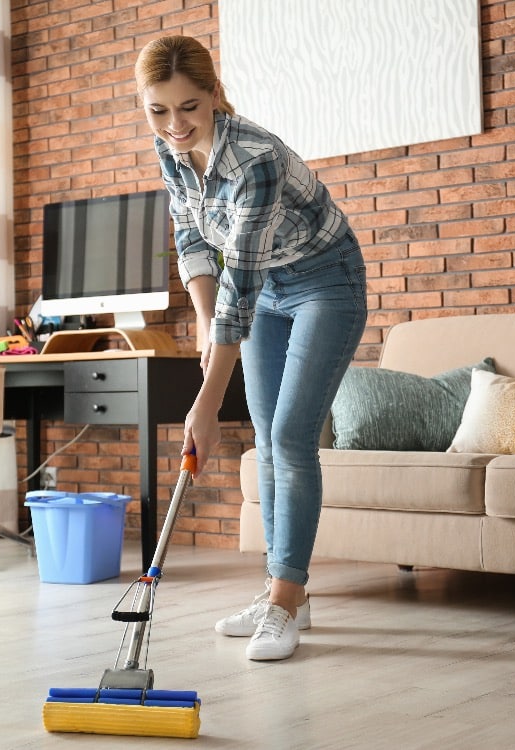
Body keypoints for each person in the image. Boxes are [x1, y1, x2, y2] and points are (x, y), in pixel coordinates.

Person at [134, 36, 367, 661]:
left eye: (188, 107)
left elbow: (241, 274)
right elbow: (190, 236)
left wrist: (205, 404)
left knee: (291, 434)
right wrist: (208, 325)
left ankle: (285, 604)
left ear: (213, 95)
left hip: (324, 281)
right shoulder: (170, 149)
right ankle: (279, 592)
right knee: (267, 438)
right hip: (260, 293)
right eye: (159, 111)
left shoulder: (253, 160)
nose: (175, 125)